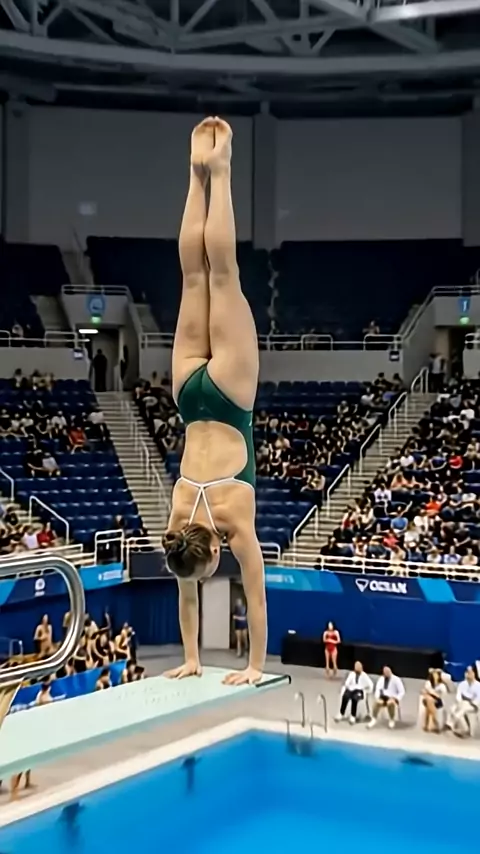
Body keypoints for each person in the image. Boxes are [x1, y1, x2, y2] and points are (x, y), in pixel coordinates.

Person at [162, 118, 266, 687]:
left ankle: (220, 171)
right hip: (186, 393)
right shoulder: (178, 523)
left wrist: (253, 666)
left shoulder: (232, 519)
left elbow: (256, 593)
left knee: (223, 275)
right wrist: (193, 657)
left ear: (213, 553)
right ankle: (194, 174)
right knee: (193, 278)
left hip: (228, 397)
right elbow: (185, 592)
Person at [446, 666, 480, 737]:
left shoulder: (478, 685)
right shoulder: (462, 684)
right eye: (467, 672)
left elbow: (478, 699)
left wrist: (470, 702)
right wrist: (460, 702)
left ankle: (451, 723)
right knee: (453, 708)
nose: (468, 674)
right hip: (462, 703)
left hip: (473, 705)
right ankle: (464, 728)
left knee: (463, 707)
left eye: (470, 672)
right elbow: (458, 695)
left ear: (474, 674)